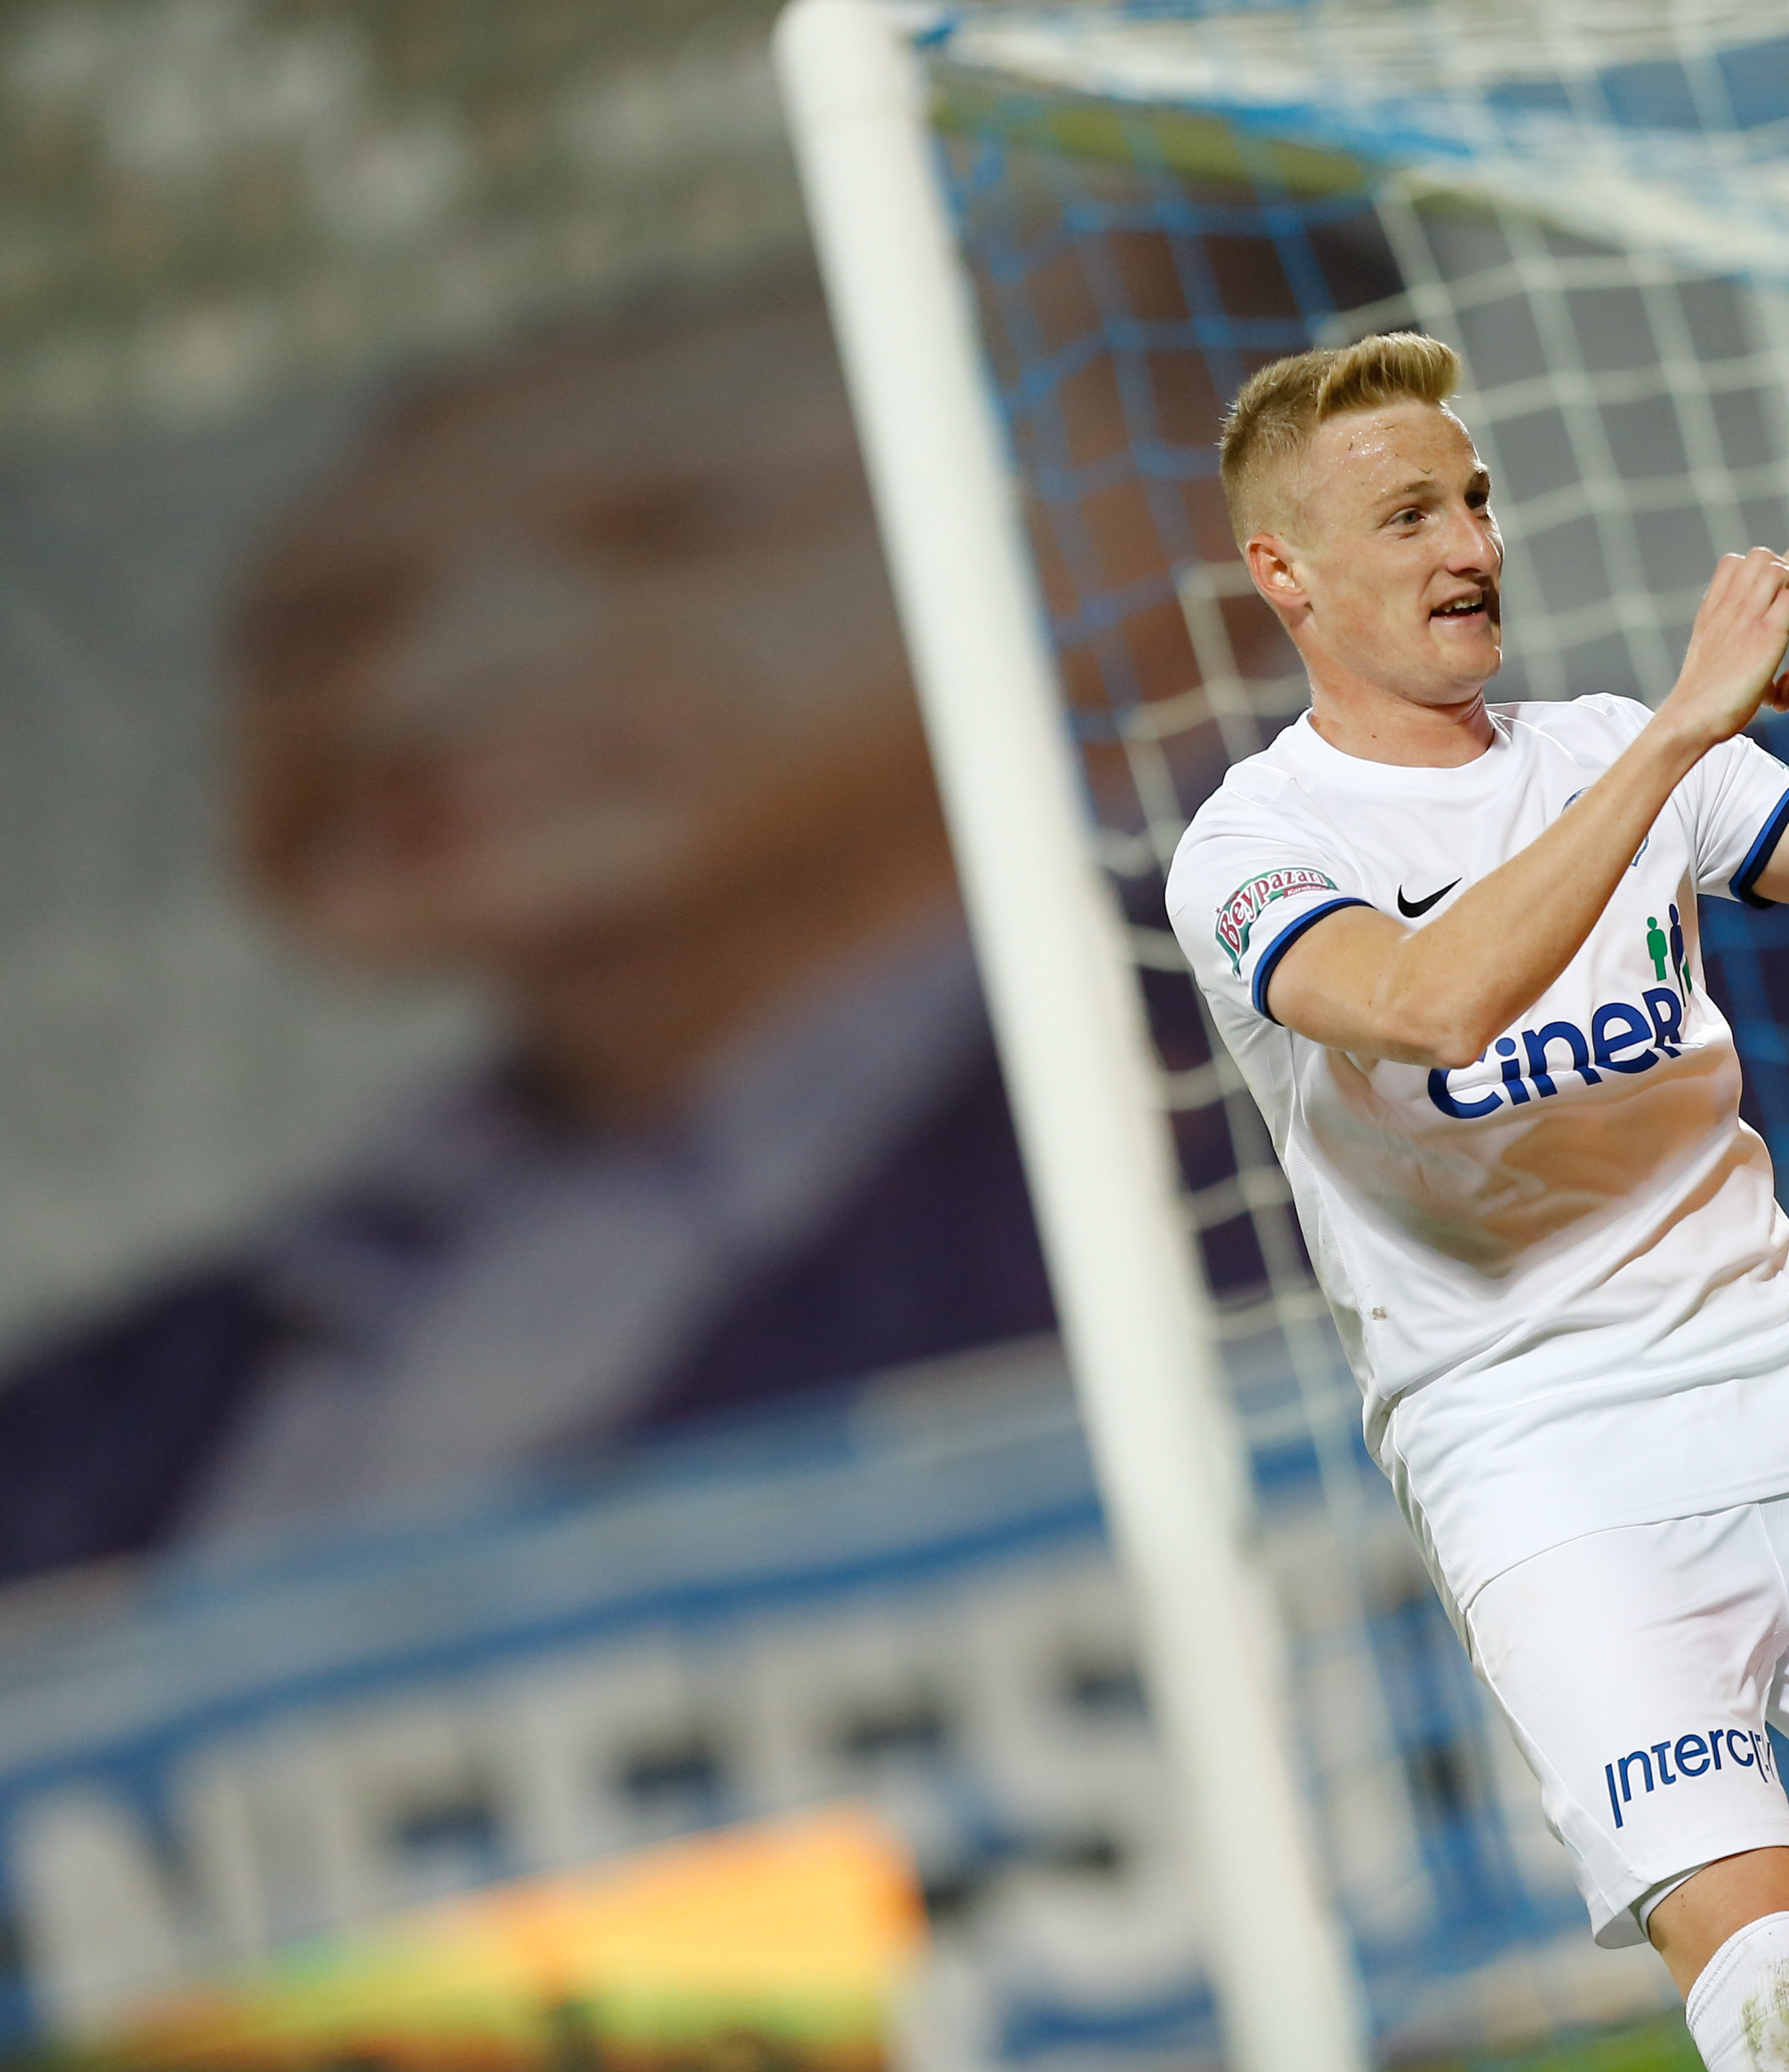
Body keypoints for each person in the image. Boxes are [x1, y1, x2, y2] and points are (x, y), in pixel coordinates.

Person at [1165, 333, 1789, 2069]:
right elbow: (1432, 1003)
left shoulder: (1606, 751)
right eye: (1409, 515)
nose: (1470, 545)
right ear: (1286, 573)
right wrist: (1669, 738)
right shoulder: (1254, 845)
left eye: (1475, 499)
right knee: (1780, 1998)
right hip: (1543, 1465)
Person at [0, 281, 1053, 1584]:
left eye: (680, 530)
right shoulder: (134, 1398)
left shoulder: (1240, 1125)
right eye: (316, 627)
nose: (408, 688)